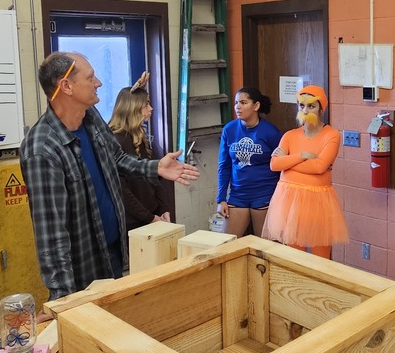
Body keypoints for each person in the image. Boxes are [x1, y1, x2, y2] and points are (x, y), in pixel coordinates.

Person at [20, 52, 199, 300]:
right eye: (90, 77)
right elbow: (52, 235)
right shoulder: (43, 148)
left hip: (112, 252)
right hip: (83, 267)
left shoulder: (90, 117)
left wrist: (155, 167)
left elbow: (116, 158)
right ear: (66, 86)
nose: (99, 83)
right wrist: (62, 297)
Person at [263, 85, 348, 259]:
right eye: (301, 105)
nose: (305, 110)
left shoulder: (331, 135)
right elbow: (274, 165)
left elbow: (319, 167)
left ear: (321, 108)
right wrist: (302, 155)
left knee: (321, 258)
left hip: (318, 201)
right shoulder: (289, 135)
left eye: (311, 106)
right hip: (289, 201)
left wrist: (287, 162)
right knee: (295, 257)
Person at [109, 78, 174, 232]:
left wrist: (163, 208)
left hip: (151, 215)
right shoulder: (115, 139)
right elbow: (122, 191)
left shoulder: (140, 136)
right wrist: (149, 218)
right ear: (132, 108)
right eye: (146, 105)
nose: (151, 109)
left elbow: (154, 178)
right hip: (132, 221)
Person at [216, 87, 281, 237]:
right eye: (236, 103)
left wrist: (279, 200)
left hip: (264, 195)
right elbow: (224, 166)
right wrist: (221, 199)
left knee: (263, 248)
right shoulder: (229, 130)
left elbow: (281, 167)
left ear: (256, 106)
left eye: (243, 103)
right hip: (238, 194)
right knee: (226, 245)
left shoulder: (271, 132)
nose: (238, 107)